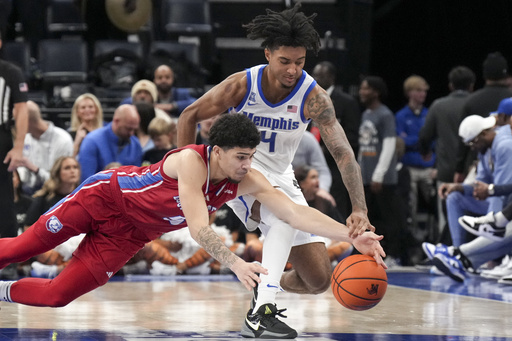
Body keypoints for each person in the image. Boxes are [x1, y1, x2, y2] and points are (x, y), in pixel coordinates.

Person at [0, 115, 385, 336]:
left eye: (251, 157)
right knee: (20, 249)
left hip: (132, 234)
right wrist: (235, 263)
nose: (247, 165)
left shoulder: (245, 178)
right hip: (101, 199)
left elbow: (294, 213)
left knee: (57, 296)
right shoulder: (190, 162)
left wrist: (354, 236)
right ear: (217, 151)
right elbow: (201, 228)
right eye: (240, 157)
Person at [176, 4, 372, 338]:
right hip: (236, 169)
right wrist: (183, 175)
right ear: (268, 54)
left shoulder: (314, 97)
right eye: (284, 61)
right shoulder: (242, 85)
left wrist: (359, 208)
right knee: (282, 215)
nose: (293, 70)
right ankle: (262, 311)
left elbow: (342, 152)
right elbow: (188, 116)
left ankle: (264, 284)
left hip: (281, 176)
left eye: (299, 62)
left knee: (318, 280)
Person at [433, 115, 512, 248]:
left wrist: (487, 192)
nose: (471, 148)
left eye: (472, 142)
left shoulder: (504, 146)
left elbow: (500, 192)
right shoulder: (485, 149)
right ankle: (458, 251)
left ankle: (484, 250)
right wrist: (459, 187)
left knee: (494, 199)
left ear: (484, 133)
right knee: (454, 197)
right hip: (495, 197)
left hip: (506, 204)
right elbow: (480, 184)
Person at [419, 66, 476, 238]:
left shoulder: (439, 105)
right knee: (475, 217)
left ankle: (448, 254)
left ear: (451, 85)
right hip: (472, 172)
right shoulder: (475, 102)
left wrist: (425, 152)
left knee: (447, 219)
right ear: (472, 85)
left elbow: (424, 136)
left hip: (446, 171)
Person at [358, 75, 408, 266]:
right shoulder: (366, 114)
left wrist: (379, 174)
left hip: (383, 179)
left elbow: (389, 145)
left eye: (366, 88)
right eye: (362, 88)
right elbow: (364, 147)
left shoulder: (385, 114)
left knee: (390, 218)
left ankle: (394, 255)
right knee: (371, 219)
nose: (362, 92)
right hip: (367, 176)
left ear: (376, 92)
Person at [311, 61, 361, 220]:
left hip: (335, 163)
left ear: (331, 78)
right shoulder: (308, 99)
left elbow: (353, 135)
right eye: (315, 74)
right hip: (311, 162)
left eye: (320, 75)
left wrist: (331, 148)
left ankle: (340, 240)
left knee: (335, 201)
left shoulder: (346, 102)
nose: (315, 78)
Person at [454, 52, 512, 183]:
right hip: (485, 166)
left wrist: (459, 169)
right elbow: (466, 135)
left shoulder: (472, 101)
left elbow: (463, 141)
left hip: (485, 165)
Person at [395, 75, 435, 237]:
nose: (423, 94)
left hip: (428, 168)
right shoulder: (401, 116)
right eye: (419, 91)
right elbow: (400, 141)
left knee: (436, 203)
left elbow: (433, 140)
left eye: (424, 91)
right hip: (409, 168)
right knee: (409, 205)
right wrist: (422, 140)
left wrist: (413, 140)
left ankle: (433, 236)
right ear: (409, 93)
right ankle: (411, 238)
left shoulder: (429, 114)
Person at [16, 101, 73, 195]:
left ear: (26, 121)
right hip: (27, 191)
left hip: (54, 193)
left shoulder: (63, 140)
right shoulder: (25, 139)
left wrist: (36, 170)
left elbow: (61, 178)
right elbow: (22, 170)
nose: (16, 125)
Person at [78, 104, 142, 181]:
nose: (131, 133)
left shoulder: (135, 144)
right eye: (128, 129)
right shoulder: (92, 141)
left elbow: (137, 180)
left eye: (134, 130)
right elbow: (86, 181)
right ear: (116, 121)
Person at [291, 130, 334, 206]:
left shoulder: (308, 139)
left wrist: (322, 190)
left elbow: (323, 171)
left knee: (325, 201)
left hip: (302, 190)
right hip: (274, 187)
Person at [68, 93, 104, 157]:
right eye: (83, 107)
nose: (87, 110)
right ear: (77, 112)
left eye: (90, 107)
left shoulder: (104, 131)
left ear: (96, 110)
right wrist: (77, 142)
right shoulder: (70, 134)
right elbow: (69, 160)